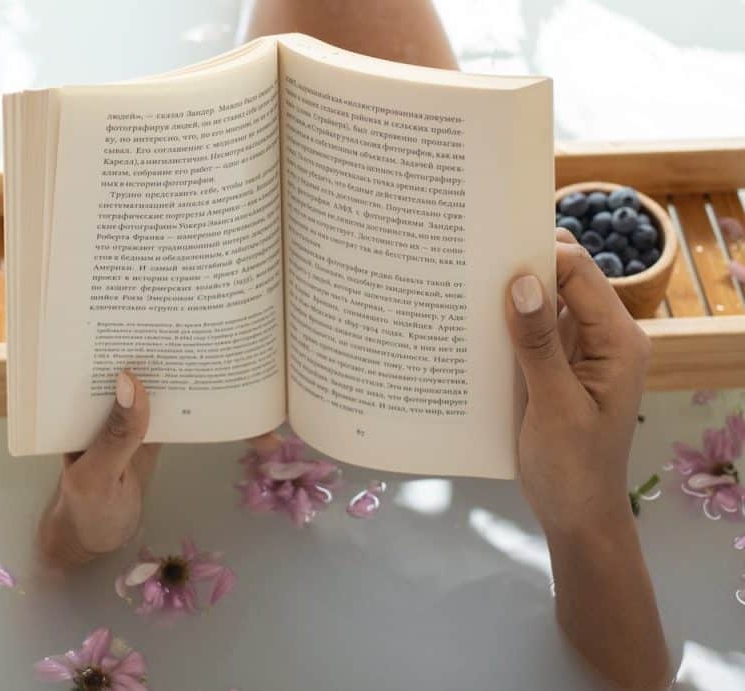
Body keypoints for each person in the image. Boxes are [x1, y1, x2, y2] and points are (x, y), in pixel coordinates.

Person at [39, 2, 670, 688]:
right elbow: (44, 587)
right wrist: (84, 529)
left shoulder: (536, 401)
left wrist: (587, 511)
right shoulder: (169, 350)